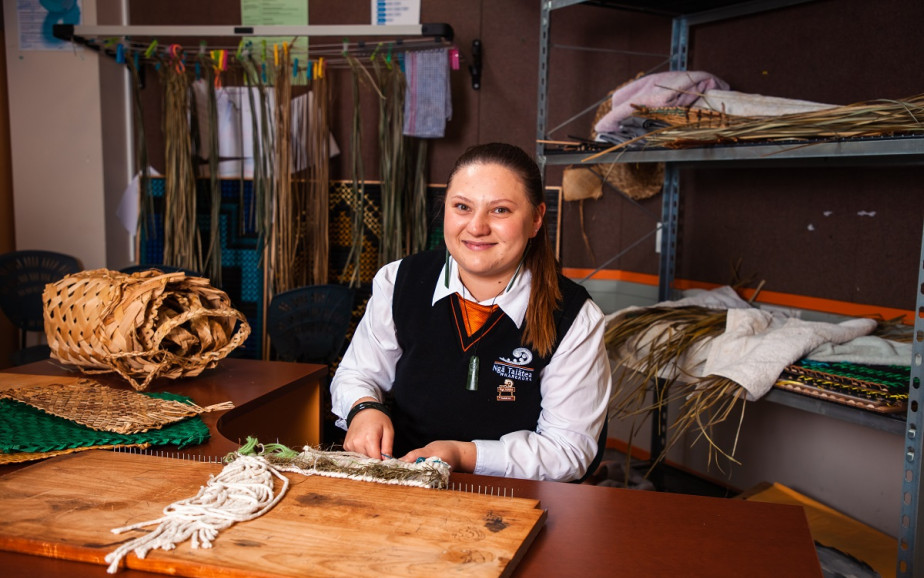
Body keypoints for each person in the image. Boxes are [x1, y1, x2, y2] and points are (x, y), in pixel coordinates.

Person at [330, 142, 612, 482]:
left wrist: (462, 455)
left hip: (513, 500)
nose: (476, 227)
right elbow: (356, 373)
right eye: (462, 206)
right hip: (401, 482)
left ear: (536, 219)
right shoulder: (398, 282)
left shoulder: (574, 317)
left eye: (500, 211)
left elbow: (568, 450)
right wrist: (363, 408)